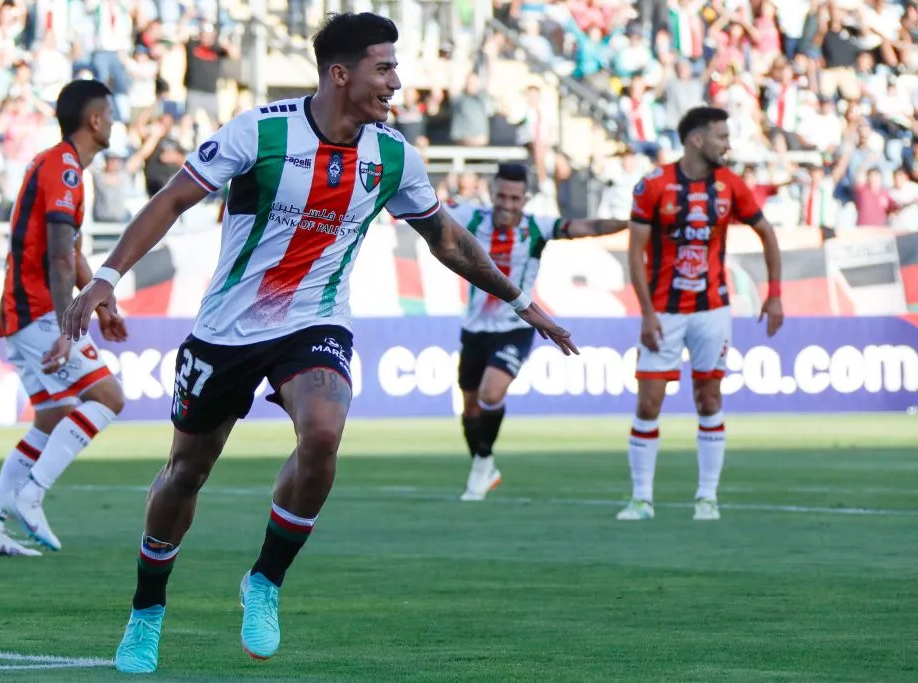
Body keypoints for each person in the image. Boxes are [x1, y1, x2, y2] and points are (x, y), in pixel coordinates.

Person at [60, 12, 578, 675]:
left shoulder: (393, 156)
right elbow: (171, 202)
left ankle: (265, 580)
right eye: (383, 67)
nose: (396, 81)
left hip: (315, 321)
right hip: (226, 330)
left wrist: (520, 300)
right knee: (186, 471)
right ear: (342, 73)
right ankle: (147, 608)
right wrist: (105, 277)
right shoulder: (261, 130)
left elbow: (446, 239)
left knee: (324, 433)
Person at [0, 79, 128, 557]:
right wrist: (65, 327)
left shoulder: (63, 166)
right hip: (35, 310)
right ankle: (30, 494)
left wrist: (102, 302)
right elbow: (58, 258)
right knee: (108, 397)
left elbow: (71, 251)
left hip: (20, 311)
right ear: (94, 120)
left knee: (54, 415)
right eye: (111, 114)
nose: (114, 122)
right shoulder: (65, 170)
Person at [617, 106, 784, 522]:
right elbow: (634, 254)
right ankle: (641, 498)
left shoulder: (730, 185)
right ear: (696, 139)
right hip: (665, 313)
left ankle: (707, 497)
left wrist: (775, 294)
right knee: (649, 404)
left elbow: (767, 233)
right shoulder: (654, 185)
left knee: (709, 398)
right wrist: (647, 312)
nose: (728, 144)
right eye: (721, 137)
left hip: (712, 310)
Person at [448, 162, 627, 501]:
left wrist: (634, 222)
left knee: (490, 393)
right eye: (502, 195)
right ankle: (484, 463)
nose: (507, 204)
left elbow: (590, 226)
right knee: (470, 406)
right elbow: (425, 209)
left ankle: (482, 467)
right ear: (491, 192)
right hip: (474, 328)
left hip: (517, 325)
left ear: (525, 198)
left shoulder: (538, 228)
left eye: (515, 198)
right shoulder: (470, 217)